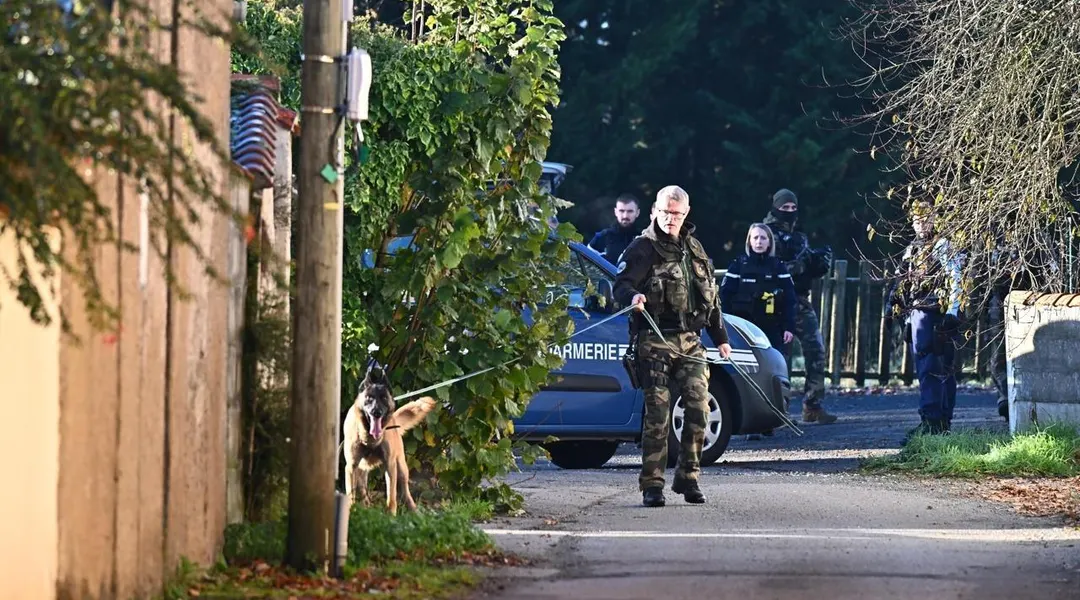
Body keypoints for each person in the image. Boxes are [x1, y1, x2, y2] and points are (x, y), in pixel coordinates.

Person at [614, 185, 733, 508]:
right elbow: (621, 284)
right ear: (655, 210)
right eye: (665, 212)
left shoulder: (694, 248)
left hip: (691, 341)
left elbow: (710, 296)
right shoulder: (642, 248)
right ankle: (652, 484)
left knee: (699, 407)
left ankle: (688, 477)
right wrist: (633, 297)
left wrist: (720, 338)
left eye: (676, 214)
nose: (670, 219)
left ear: (686, 213)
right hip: (654, 340)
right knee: (658, 413)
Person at [886, 201, 963, 438]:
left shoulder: (942, 245)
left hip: (935, 314)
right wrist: (901, 315)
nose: (922, 224)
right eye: (917, 220)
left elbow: (956, 280)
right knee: (929, 368)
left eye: (926, 218)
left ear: (934, 218)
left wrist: (952, 312)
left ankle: (935, 422)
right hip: (918, 315)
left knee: (936, 369)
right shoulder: (912, 249)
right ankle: (936, 422)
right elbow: (903, 285)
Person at [762, 188, 837, 424]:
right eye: (785, 208)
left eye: (793, 208)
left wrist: (815, 262)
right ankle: (776, 410)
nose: (789, 212)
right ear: (776, 208)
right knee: (778, 357)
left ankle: (812, 404)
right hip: (775, 301)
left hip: (800, 300)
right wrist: (797, 264)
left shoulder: (799, 236)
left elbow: (805, 268)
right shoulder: (765, 234)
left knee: (816, 349)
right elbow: (768, 265)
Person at [721, 223, 797, 352]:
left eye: (763, 238)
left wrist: (788, 327)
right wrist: (726, 327)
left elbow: (790, 299)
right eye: (755, 238)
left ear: (769, 242)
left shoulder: (778, 267)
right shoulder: (738, 265)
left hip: (772, 327)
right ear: (749, 241)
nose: (759, 242)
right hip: (742, 326)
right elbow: (725, 297)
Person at [588, 193, 641, 265]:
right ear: (616, 212)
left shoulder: (642, 239)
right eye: (621, 211)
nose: (625, 216)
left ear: (637, 213)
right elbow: (586, 266)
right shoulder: (602, 237)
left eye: (630, 211)